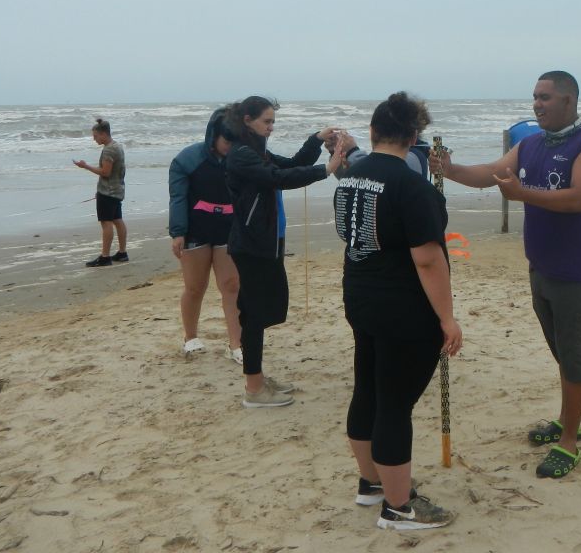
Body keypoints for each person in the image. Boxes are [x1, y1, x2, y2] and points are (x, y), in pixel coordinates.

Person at [430, 71, 581, 479]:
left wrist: (522, 194)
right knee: (562, 354)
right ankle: (567, 420)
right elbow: (491, 173)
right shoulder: (530, 144)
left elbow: (579, 200)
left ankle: (569, 441)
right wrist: (450, 167)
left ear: (568, 100)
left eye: (545, 97)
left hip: (579, 275)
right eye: (534, 97)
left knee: (576, 359)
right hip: (542, 270)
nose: (537, 104)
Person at [333, 92, 462, 530]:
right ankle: (399, 507)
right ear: (413, 136)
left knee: (367, 389)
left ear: (372, 131)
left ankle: (372, 483)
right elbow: (428, 259)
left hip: (361, 297)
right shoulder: (412, 187)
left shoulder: (350, 174)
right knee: (393, 404)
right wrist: (447, 318)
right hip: (402, 307)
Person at [223, 96, 343, 409]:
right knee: (255, 315)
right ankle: (253, 388)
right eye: (266, 121)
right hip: (251, 245)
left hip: (266, 241)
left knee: (262, 313)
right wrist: (326, 170)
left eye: (273, 121)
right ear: (247, 120)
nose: (271, 127)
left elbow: (290, 165)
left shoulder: (257, 150)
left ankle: (257, 379)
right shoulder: (241, 154)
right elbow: (278, 178)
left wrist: (315, 140)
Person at [168, 108, 243, 361]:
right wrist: (177, 232)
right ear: (214, 135)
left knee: (231, 285)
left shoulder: (241, 159)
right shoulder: (187, 160)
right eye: (226, 141)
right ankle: (190, 337)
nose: (230, 147)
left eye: (235, 142)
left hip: (228, 228)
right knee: (195, 287)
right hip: (195, 231)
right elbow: (177, 198)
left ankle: (236, 344)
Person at [73, 117, 128, 267]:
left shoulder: (109, 149)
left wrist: (85, 166)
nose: (94, 139)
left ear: (103, 134)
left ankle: (105, 256)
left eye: (95, 136)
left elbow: (105, 172)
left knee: (106, 222)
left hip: (108, 191)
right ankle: (122, 253)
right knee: (117, 220)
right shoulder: (117, 146)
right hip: (117, 189)